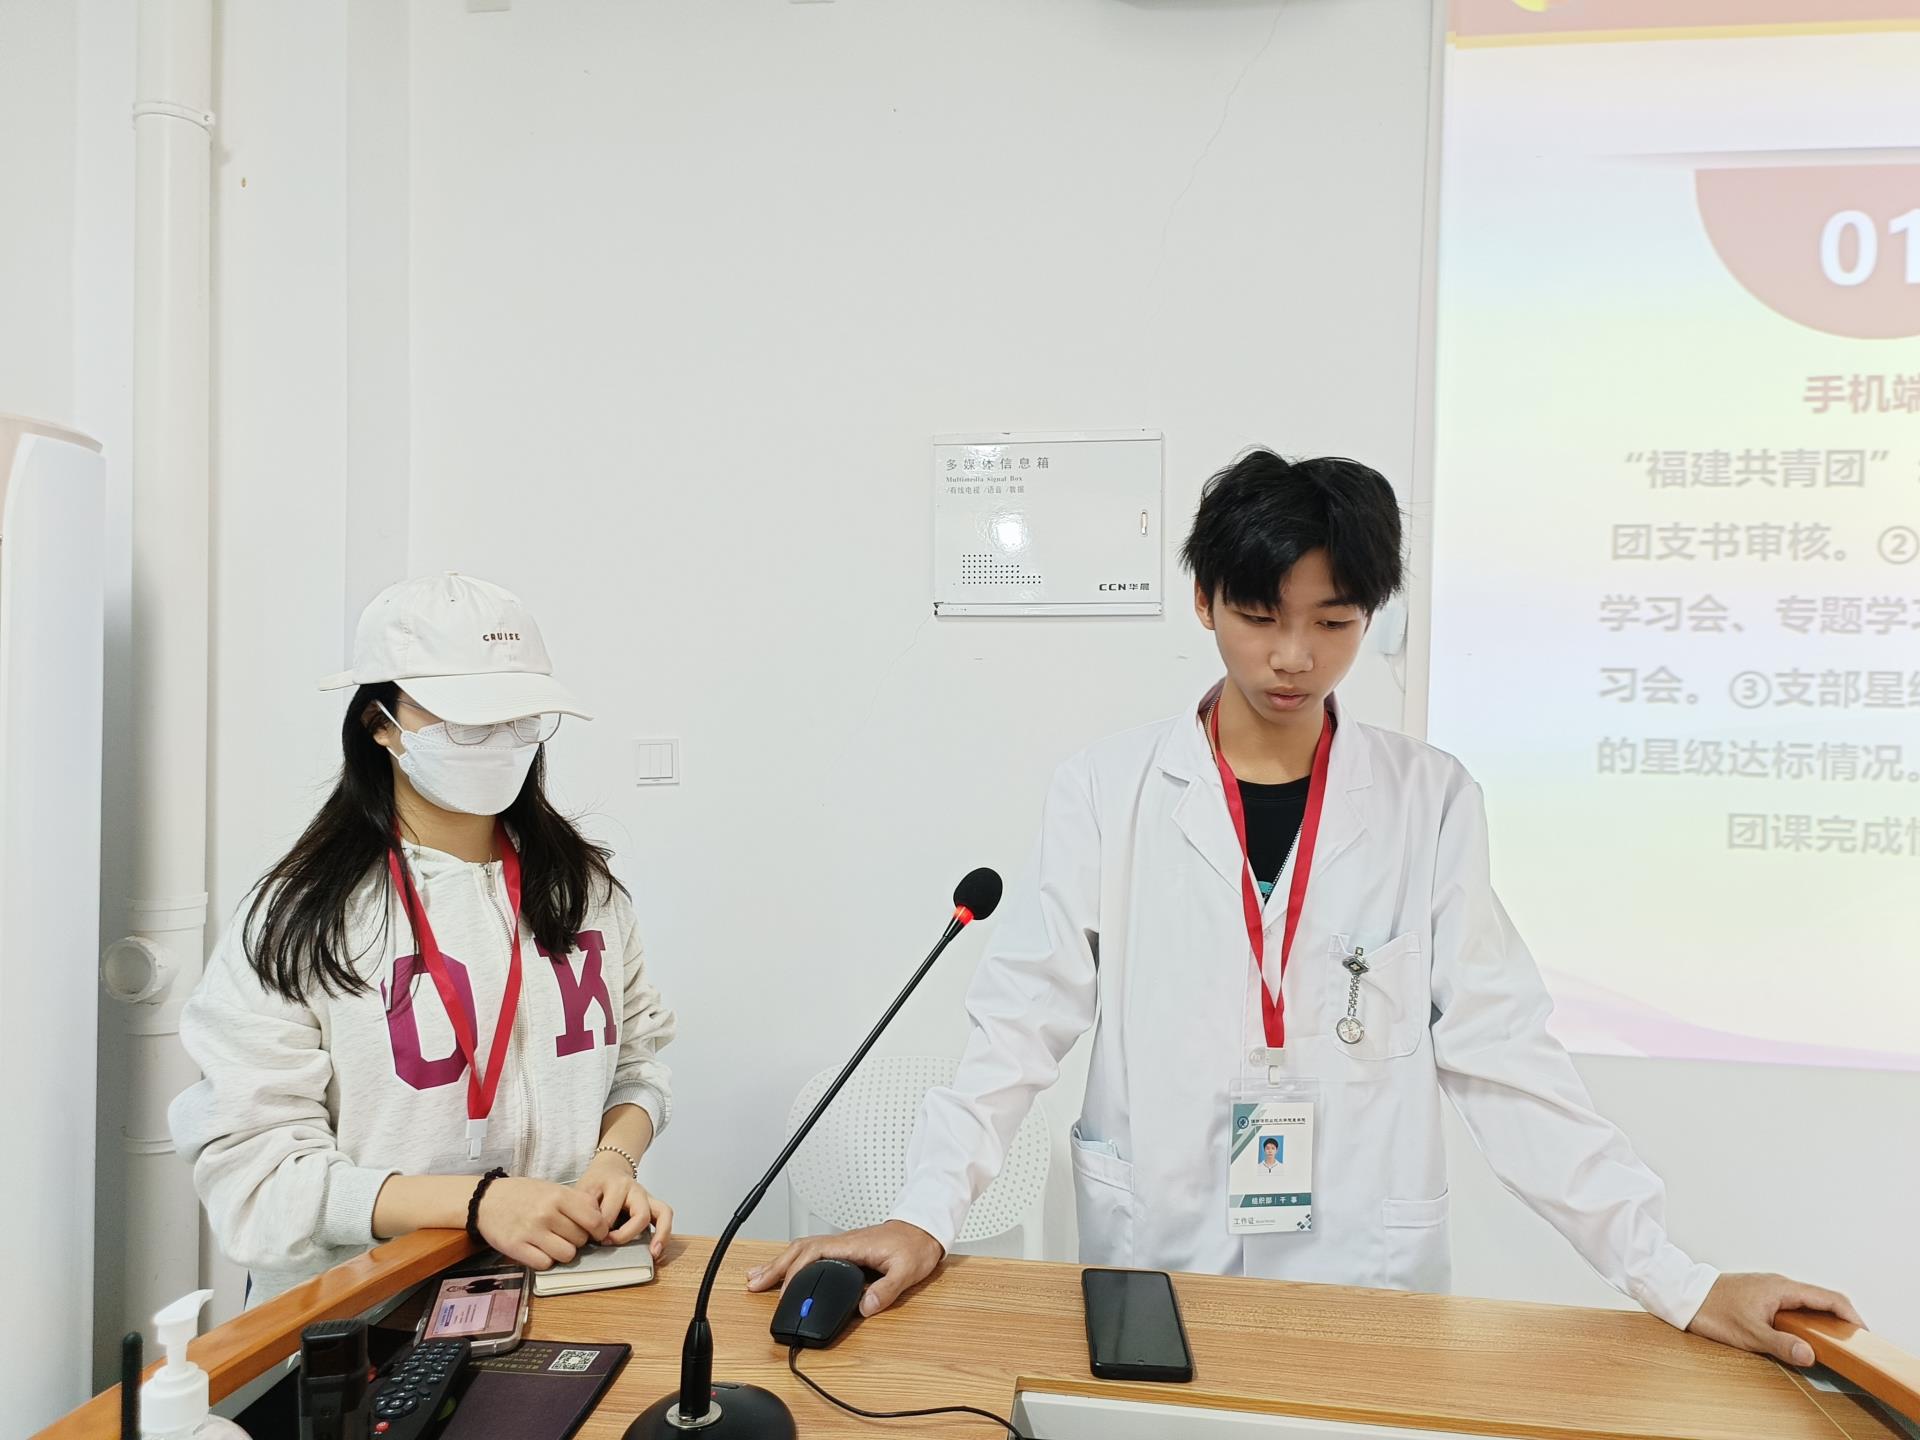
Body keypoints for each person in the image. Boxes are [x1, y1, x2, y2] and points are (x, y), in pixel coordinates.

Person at [749, 451, 1861, 1366]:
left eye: (1333, 622)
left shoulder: (1429, 802)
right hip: (1160, 1253)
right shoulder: (1106, 791)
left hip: (1361, 1269)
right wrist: (927, 1211)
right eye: (1258, 615)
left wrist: (1676, 1276)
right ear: (1202, 600)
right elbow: (1016, 1026)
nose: (1293, 658)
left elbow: (1504, 1058)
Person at [171, 573, 676, 1303]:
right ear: (379, 723)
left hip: (555, 1292)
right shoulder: (298, 917)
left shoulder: (585, 892)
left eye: (521, 719)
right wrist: (476, 1203)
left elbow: (636, 1065)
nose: (499, 742)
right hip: (360, 1316)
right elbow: (258, 1177)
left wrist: (611, 1163)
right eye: (467, 722)